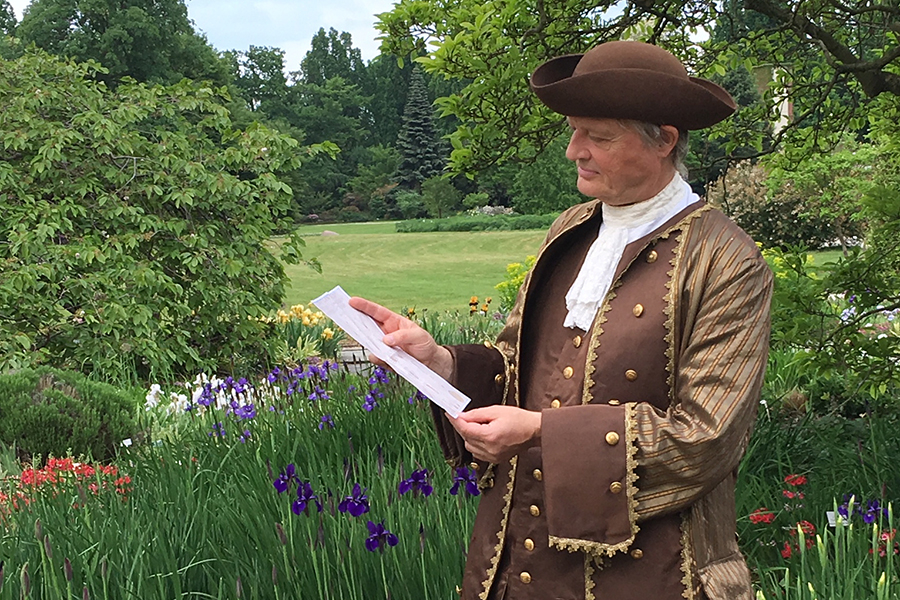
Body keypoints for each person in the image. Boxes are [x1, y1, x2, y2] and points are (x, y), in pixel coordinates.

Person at [350, 40, 772, 600]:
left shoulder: (727, 260)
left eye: (598, 137)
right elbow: (518, 363)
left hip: (653, 572)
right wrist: (440, 361)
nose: (575, 150)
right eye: (574, 131)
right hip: (516, 553)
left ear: (664, 139)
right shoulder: (570, 229)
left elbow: (706, 437)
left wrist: (542, 432)